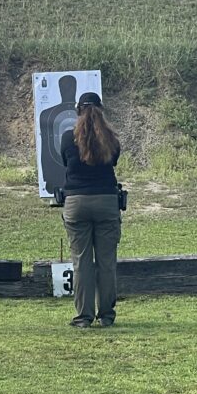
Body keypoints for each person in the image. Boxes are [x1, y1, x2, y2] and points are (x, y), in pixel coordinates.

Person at [60, 92, 121, 328]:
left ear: (78, 112)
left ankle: (83, 316)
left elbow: (67, 163)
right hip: (106, 201)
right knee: (106, 262)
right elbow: (113, 161)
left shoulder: (67, 138)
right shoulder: (112, 139)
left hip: (76, 202)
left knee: (81, 262)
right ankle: (106, 315)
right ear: (101, 110)